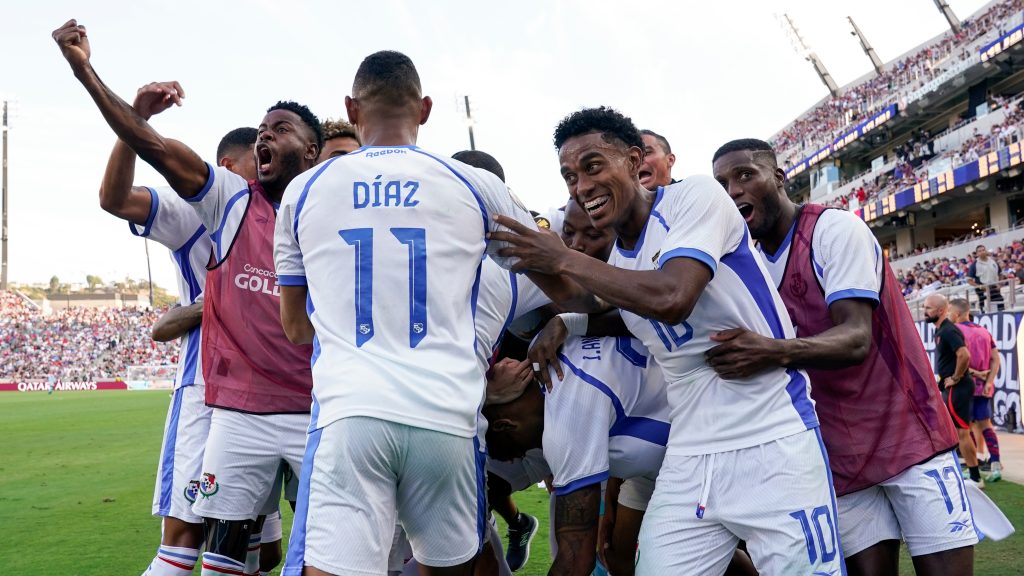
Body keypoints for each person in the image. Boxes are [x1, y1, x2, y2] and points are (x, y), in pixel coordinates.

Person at [490, 106, 840, 575]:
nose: (582, 186)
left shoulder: (693, 197)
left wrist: (560, 259)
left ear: (636, 161)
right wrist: (531, 268)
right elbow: (589, 300)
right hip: (689, 455)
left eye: (593, 167)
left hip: (772, 436)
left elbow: (673, 295)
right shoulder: (617, 257)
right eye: (570, 176)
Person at [274, 51, 586, 576]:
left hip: (351, 414)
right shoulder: (475, 184)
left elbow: (295, 328)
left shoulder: (303, 191)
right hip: (446, 418)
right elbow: (566, 287)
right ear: (426, 108)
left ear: (352, 109)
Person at [54, 19, 319, 576]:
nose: (264, 138)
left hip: (315, 405)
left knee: (282, 551)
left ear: (313, 153)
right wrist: (86, 72)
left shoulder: (326, 213)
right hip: (223, 399)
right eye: (258, 135)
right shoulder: (223, 201)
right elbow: (139, 165)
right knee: (193, 545)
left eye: (278, 130)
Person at [708, 138, 971, 575]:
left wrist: (770, 352)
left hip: (908, 434)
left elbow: (855, 339)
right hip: (836, 452)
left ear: (779, 177)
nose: (733, 190)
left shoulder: (834, 229)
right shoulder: (747, 263)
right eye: (722, 184)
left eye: (745, 175)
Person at [484, 332, 668, 576]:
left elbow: (575, 562)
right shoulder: (548, 344)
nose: (516, 458)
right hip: (664, 438)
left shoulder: (565, 425)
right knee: (618, 554)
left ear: (505, 426)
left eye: (512, 452)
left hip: (699, 451)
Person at [923, 294, 984, 489]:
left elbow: (964, 355)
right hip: (954, 387)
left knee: (961, 432)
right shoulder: (942, 330)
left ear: (941, 310)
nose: (924, 311)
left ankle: (975, 477)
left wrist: (956, 378)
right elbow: (956, 359)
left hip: (957, 388)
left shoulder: (948, 330)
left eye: (928, 308)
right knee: (957, 432)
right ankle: (968, 471)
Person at [950, 298, 1003, 483]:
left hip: (965, 385)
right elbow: (996, 359)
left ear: (956, 313)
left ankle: (974, 466)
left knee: (966, 427)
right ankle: (996, 465)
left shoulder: (955, 332)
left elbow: (959, 360)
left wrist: (976, 373)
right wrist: (989, 381)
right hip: (983, 388)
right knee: (986, 424)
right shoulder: (984, 332)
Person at [968, 245, 1004, 312]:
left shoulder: (993, 261)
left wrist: (1000, 284)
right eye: (980, 251)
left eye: (983, 250)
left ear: (986, 251)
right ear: (977, 253)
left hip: (994, 287)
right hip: (982, 289)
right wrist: (980, 286)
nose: (982, 252)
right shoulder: (974, 265)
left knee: (1000, 305)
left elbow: (1000, 274)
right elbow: (969, 280)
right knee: (985, 308)